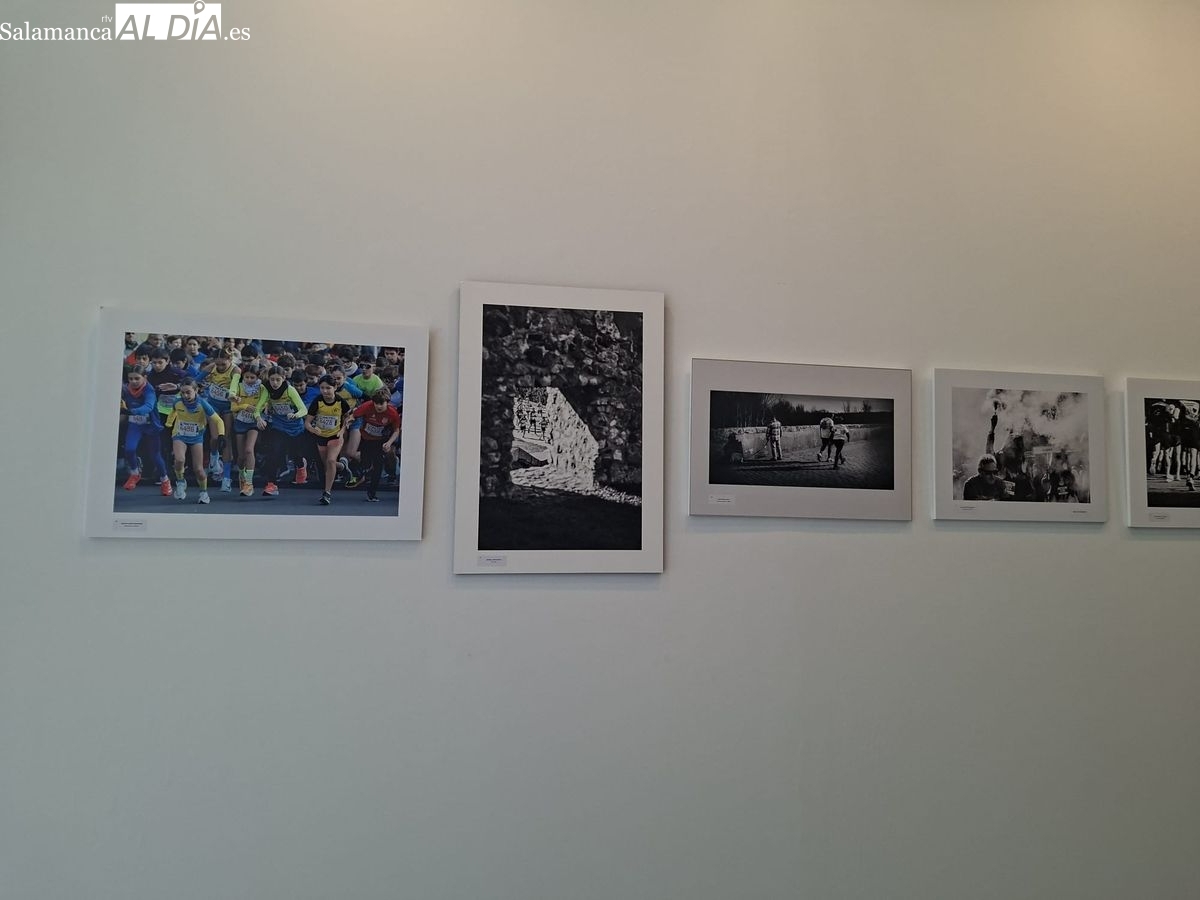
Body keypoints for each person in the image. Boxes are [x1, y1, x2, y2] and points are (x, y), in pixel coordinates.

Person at [164, 378, 225, 504]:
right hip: (179, 434)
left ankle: (203, 493)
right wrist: (168, 424)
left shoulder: (203, 404)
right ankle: (181, 481)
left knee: (199, 470)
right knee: (179, 459)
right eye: (182, 393)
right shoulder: (177, 402)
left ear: (196, 391)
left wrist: (221, 435)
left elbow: (218, 420)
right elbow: (173, 412)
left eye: (188, 392)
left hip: (196, 437)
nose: (185, 396)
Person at [258, 366, 309, 497]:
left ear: (284, 379)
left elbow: (303, 409)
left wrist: (296, 415)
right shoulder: (267, 390)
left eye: (278, 380)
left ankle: (301, 465)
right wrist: (259, 418)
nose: (275, 383)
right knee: (274, 452)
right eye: (272, 380)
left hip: (295, 427)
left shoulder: (290, 390)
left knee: (295, 454)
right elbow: (258, 408)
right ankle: (271, 484)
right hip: (279, 425)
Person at [305, 375, 354, 505]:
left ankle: (327, 493)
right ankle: (342, 466)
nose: (325, 391)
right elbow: (307, 423)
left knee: (331, 460)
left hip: (335, 436)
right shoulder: (317, 401)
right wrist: (313, 430)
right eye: (322, 388)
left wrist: (342, 431)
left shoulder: (340, 401)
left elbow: (348, 417)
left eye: (328, 388)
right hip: (321, 437)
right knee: (328, 464)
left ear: (335, 387)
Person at [348, 390, 402, 501]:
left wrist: (389, 442)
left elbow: (396, 430)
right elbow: (353, 415)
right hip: (366, 438)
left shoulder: (393, 413)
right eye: (376, 403)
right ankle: (362, 473)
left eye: (381, 404)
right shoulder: (367, 406)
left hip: (381, 440)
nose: (378, 406)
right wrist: (350, 420)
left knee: (378, 465)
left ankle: (372, 493)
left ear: (387, 402)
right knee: (366, 463)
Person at [119, 366, 167, 491]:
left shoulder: (149, 390)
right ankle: (135, 473)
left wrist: (131, 411)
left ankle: (165, 480)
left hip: (151, 426)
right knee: (129, 449)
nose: (133, 381)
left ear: (144, 378)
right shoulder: (126, 389)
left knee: (155, 456)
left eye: (137, 378)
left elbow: (148, 406)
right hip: (135, 425)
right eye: (130, 379)